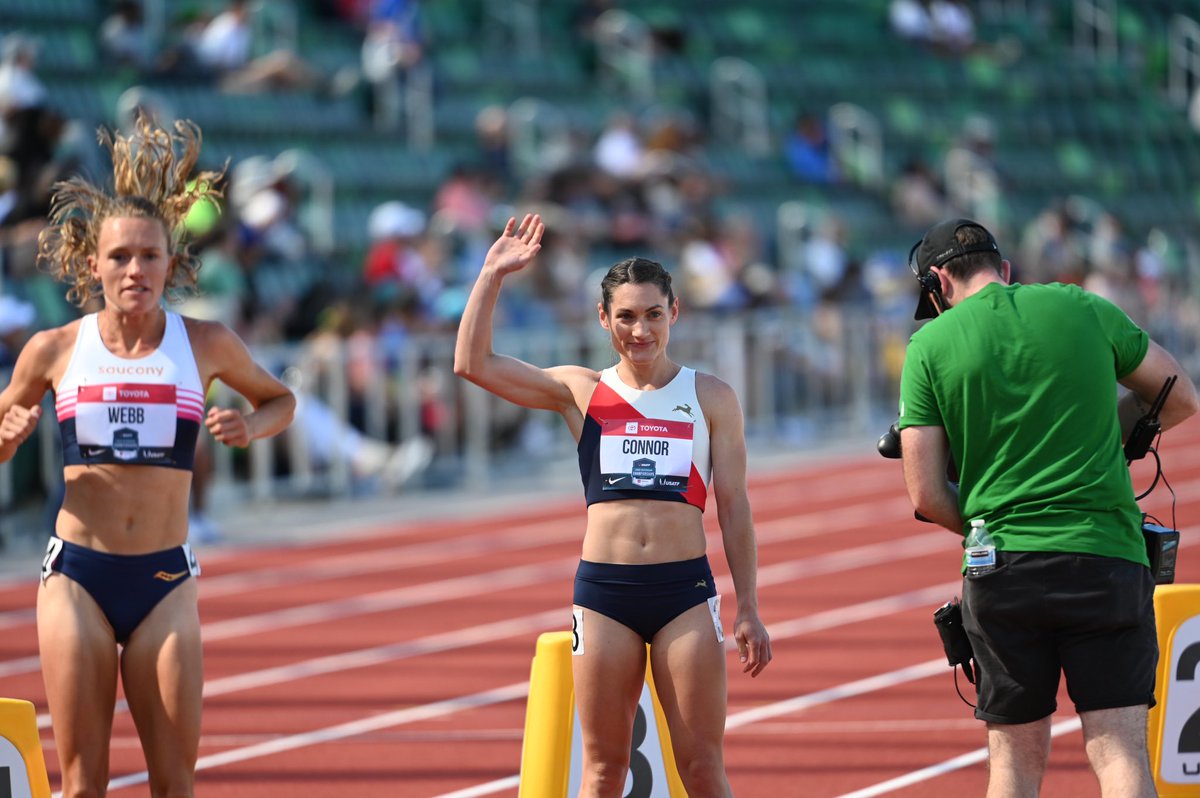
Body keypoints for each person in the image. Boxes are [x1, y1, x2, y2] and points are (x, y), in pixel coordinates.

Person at [0, 116, 295, 797]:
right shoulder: (55, 349)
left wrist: (250, 427)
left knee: (173, 784)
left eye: (149, 256)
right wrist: (8, 434)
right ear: (93, 265)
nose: (135, 270)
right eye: (120, 257)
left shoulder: (207, 343)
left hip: (164, 577)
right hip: (77, 576)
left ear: (171, 262)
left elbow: (282, 400)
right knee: (83, 783)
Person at [454, 213, 771, 797]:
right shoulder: (581, 390)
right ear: (604, 318)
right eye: (625, 316)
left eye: (653, 314)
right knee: (603, 771)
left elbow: (734, 506)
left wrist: (748, 605)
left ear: (674, 313)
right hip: (605, 595)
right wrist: (491, 275)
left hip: (684, 592)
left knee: (702, 766)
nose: (640, 330)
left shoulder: (711, 397)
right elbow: (473, 364)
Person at [896, 218, 1199, 797]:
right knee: (1119, 752)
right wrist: (1108, 440)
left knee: (1014, 763)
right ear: (1005, 270)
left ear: (938, 282)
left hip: (1002, 567)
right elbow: (1179, 396)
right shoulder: (1082, 306)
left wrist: (991, 521)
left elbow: (926, 495)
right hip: (1106, 554)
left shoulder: (929, 345)